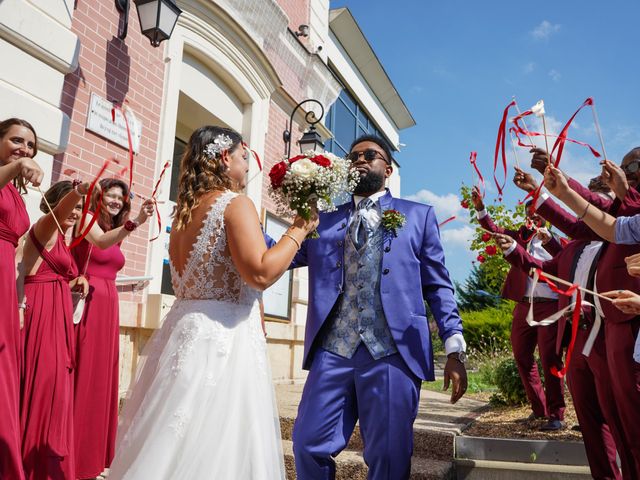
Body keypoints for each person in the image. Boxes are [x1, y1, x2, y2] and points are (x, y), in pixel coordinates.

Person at [108, 126, 317, 479]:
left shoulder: (184, 215)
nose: (247, 166)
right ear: (224, 158)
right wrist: (299, 228)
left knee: (172, 442)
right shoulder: (235, 205)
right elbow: (260, 273)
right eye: (242, 157)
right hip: (225, 343)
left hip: (184, 332)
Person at [291, 135, 468, 479]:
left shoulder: (418, 216)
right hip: (334, 350)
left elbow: (438, 285)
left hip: (393, 352)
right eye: (353, 156)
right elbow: (276, 255)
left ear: (387, 169)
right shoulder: (322, 222)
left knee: (389, 455)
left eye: (369, 155)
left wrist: (454, 347)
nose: (359, 159)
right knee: (307, 443)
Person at [534, 153, 640, 476]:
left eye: (633, 170)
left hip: (624, 327)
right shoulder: (627, 216)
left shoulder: (627, 203)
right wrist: (560, 190)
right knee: (623, 425)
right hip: (604, 329)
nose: (625, 176)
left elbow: (600, 215)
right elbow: (611, 226)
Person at [494, 232, 631, 479]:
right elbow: (543, 268)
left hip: (610, 336)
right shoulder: (573, 247)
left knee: (620, 421)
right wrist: (514, 248)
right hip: (579, 337)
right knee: (590, 422)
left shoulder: (623, 242)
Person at [72, 178, 154, 480]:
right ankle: (75, 455)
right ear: (99, 196)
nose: (116, 201)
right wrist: (137, 223)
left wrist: (134, 223)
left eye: (121, 197)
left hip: (109, 305)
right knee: (86, 376)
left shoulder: (114, 229)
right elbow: (101, 243)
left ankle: (93, 458)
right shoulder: (85, 220)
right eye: (110, 195)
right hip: (89, 301)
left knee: (102, 378)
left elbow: (111, 245)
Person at [470, 184, 565, 430]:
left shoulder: (559, 242)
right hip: (524, 306)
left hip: (550, 307)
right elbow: (494, 229)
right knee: (522, 356)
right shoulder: (520, 236)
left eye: (538, 212)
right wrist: (481, 209)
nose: (533, 216)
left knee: (550, 359)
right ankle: (539, 408)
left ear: (549, 216)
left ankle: (557, 414)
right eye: (530, 213)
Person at [17, 180, 90, 479]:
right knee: (43, 388)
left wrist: (76, 281)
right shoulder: (45, 227)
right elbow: (59, 214)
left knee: (56, 391)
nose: (75, 212)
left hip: (57, 316)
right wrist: (77, 193)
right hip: (40, 315)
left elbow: (52, 273)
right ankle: (27, 464)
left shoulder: (61, 237)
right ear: (55, 204)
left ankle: (44, 463)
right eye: (71, 207)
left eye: (79, 209)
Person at [0, 117, 43, 480]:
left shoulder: (14, 190)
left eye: (30, 146)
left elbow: (16, 259)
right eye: (16, 141)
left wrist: (18, 304)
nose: (24, 150)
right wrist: (16, 166)